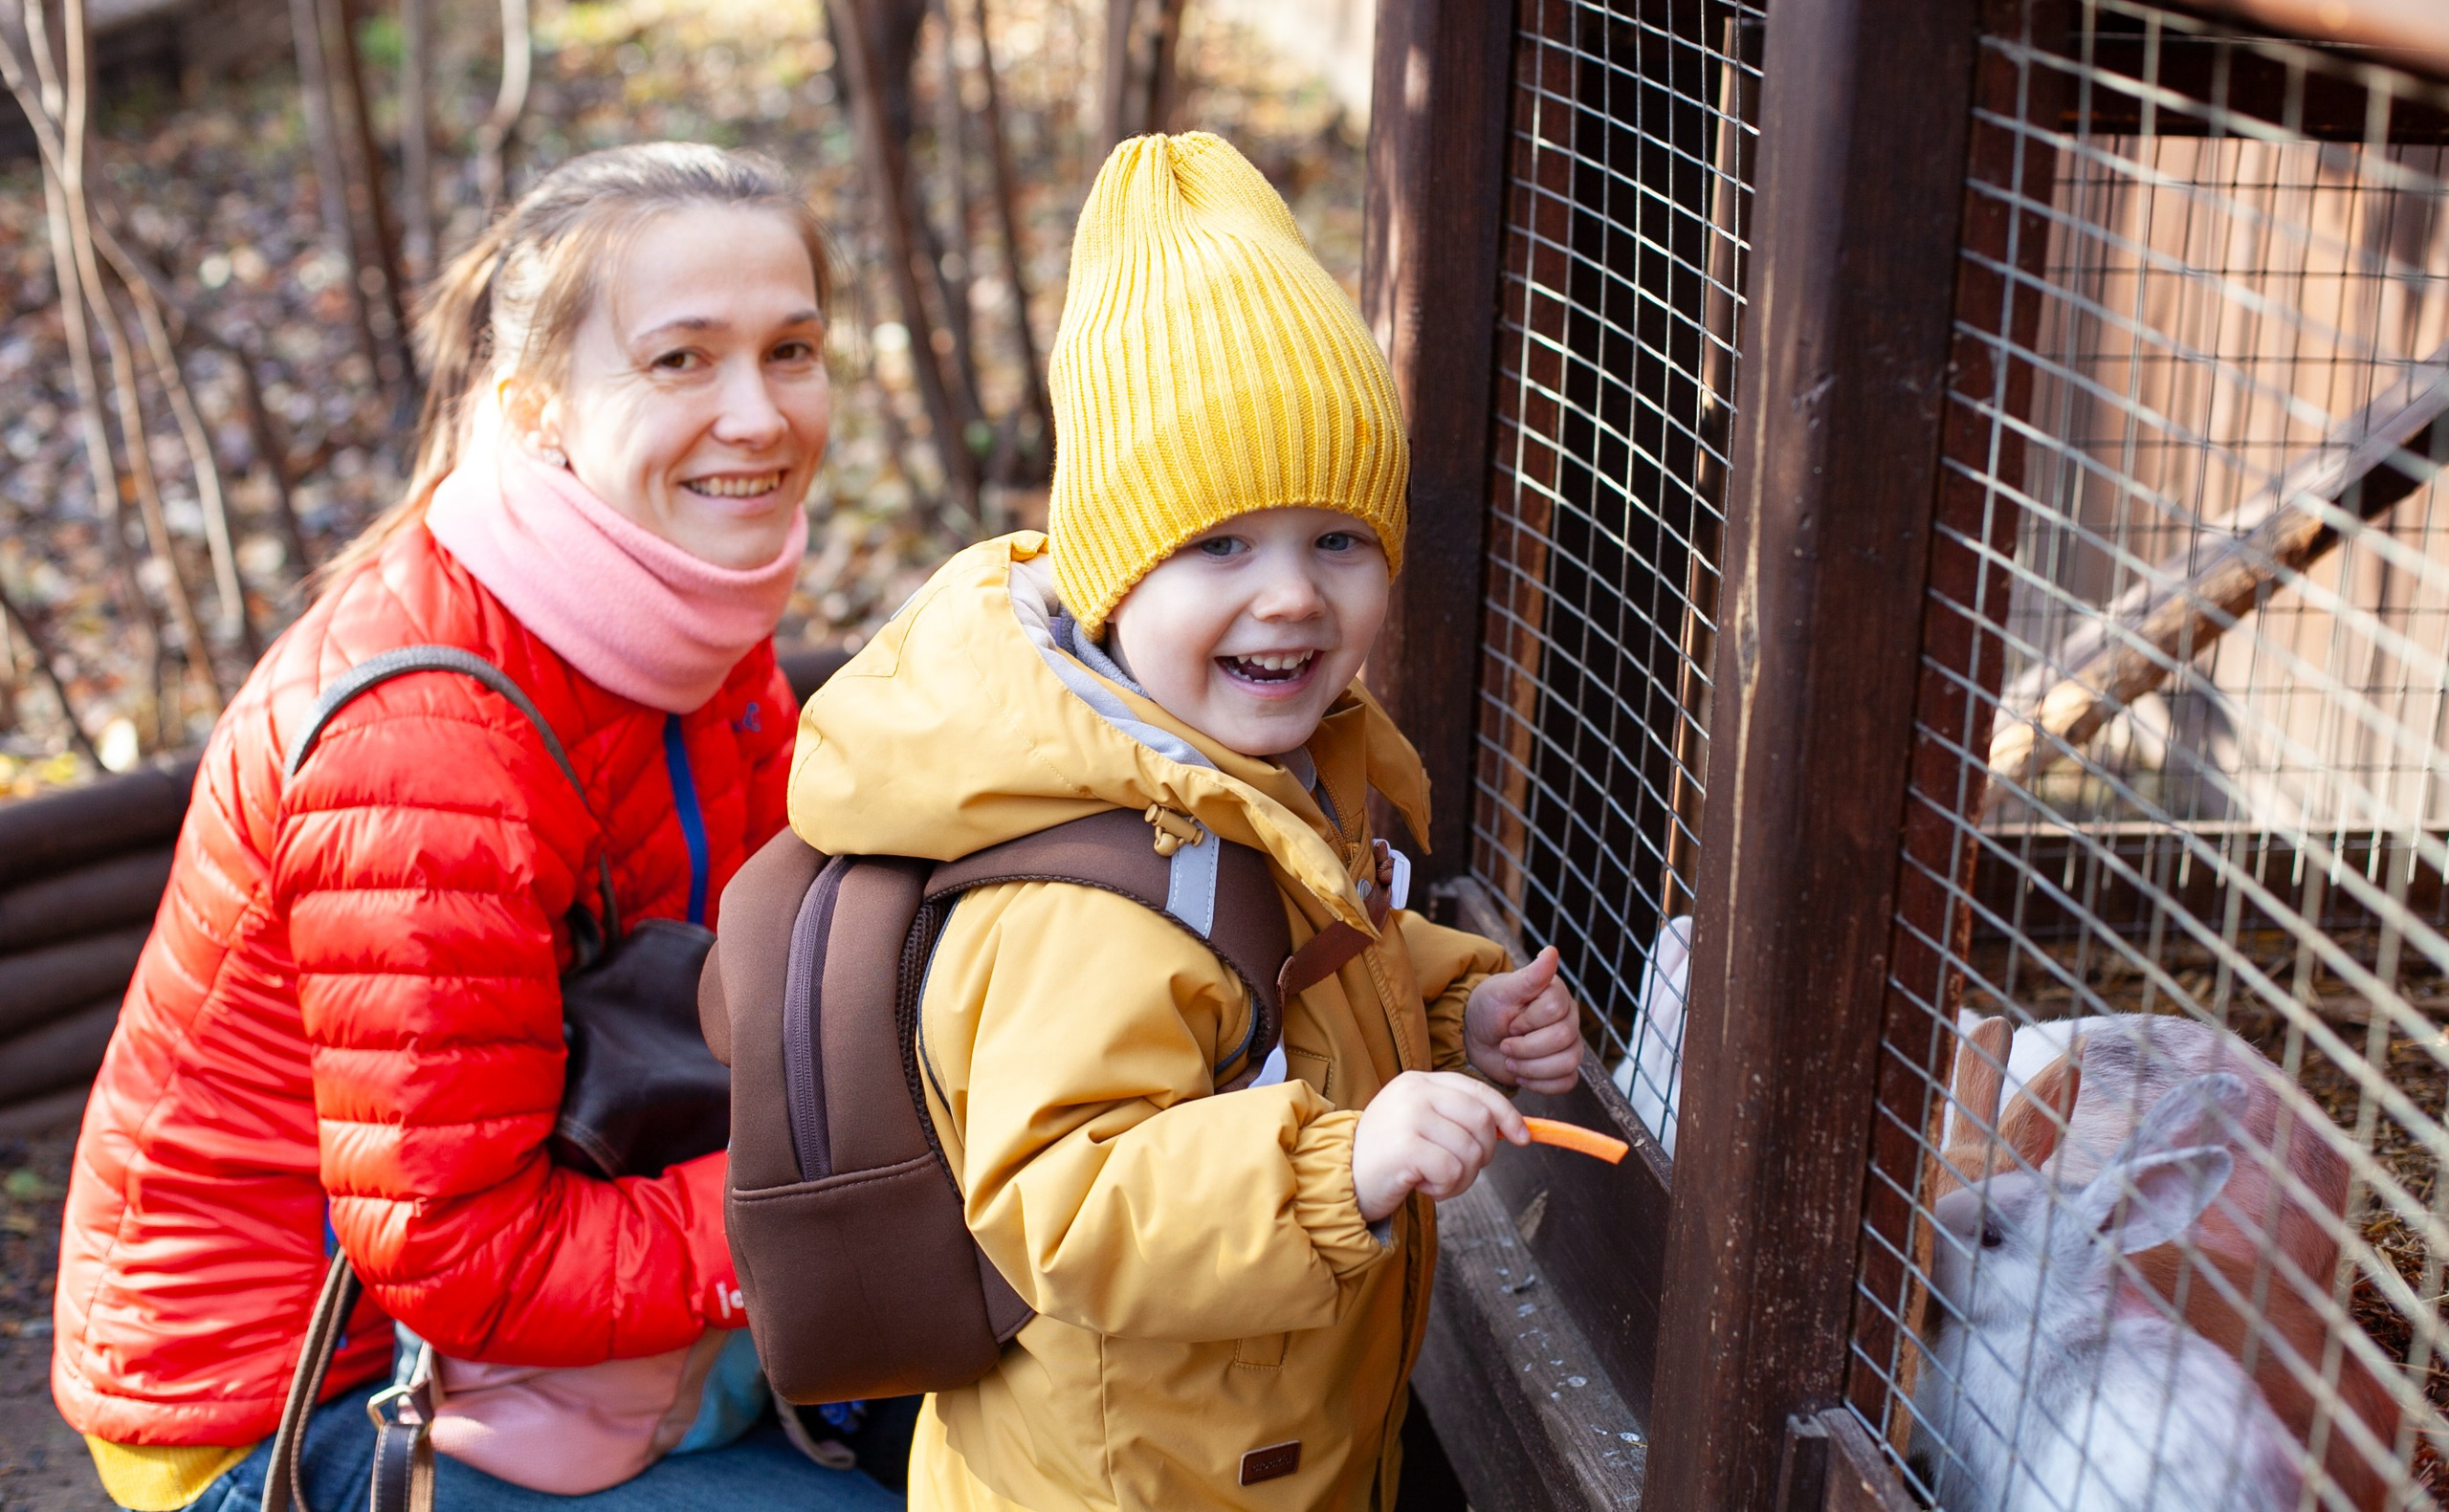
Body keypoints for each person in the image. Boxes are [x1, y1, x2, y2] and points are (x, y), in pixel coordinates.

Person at [51, 143, 898, 1512]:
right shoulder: (430, 742)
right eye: (681, 360)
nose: (758, 415)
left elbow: (779, 976)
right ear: (539, 408)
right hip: (301, 1385)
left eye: (790, 348)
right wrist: (816, 1220)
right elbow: (459, 1252)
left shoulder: (688, 621)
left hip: (578, 1299)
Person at [785, 130, 1588, 1511]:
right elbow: (1071, 1201)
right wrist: (1354, 1159)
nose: (1290, 597)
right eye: (1219, 546)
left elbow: (1293, 981)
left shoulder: (1261, 767)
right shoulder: (1083, 893)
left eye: (1338, 540)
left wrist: (1455, 1010)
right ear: (1111, 574)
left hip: (1256, 1453)